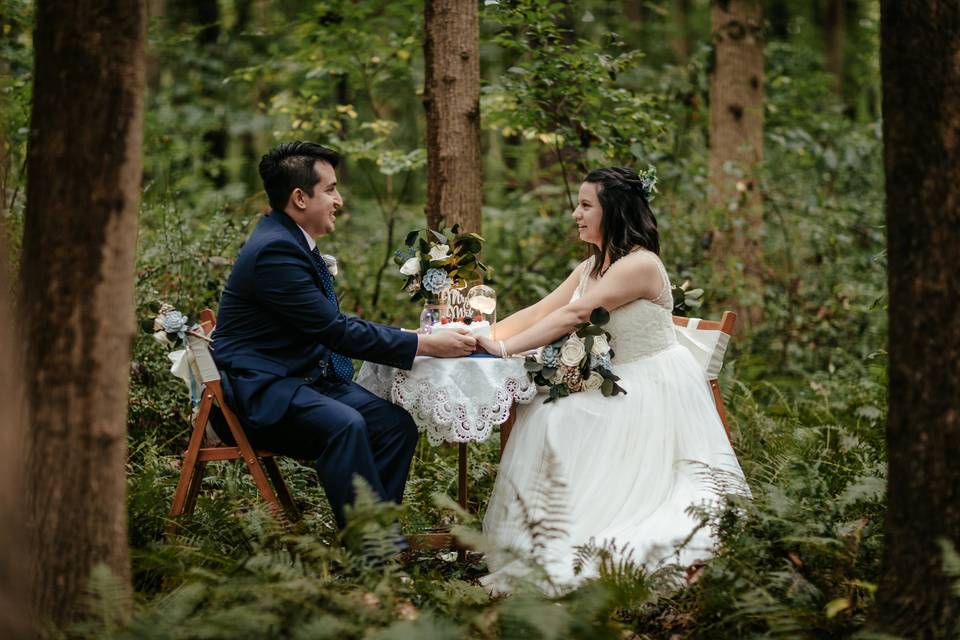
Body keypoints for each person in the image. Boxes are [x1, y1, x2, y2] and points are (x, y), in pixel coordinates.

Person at [475, 167, 749, 593]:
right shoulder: (594, 264)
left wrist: (506, 351)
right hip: (614, 377)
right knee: (545, 410)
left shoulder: (640, 265)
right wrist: (481, 337)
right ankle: (548, 539)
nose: (575, 214)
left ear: (614, 211)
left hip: (650, 384)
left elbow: (573, 316)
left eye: (586, 206)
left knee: (556, 417)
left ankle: (579, 540)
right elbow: (543, 310)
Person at [212, 141, 476, 528]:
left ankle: (375, 540)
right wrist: (424, 343)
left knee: (394, 427)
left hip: (303, 378)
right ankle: (371, 553)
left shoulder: (289, 240)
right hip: (264, 391)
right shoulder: (275, 252)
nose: (339, 199)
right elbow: (335, 330)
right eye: (331, 189)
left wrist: (408, 336)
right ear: (300, 197)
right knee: (345, 423)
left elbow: (325, 321)